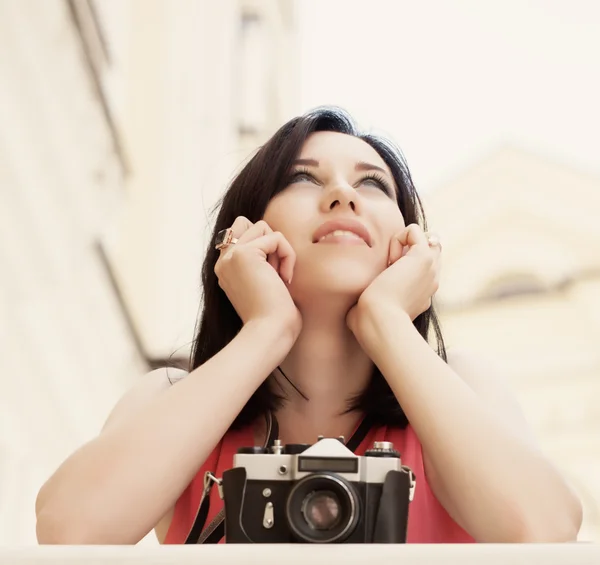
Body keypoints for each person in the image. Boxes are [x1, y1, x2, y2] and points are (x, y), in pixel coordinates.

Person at [35, 107, 582, 545]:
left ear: (407, 243)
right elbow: (69, 533)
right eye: (302, 177)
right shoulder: (170, 399)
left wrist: (388, 321)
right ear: (246, 232)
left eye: (373, 185)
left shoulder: (463, 387)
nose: (343, 195)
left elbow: (543, 531)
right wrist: (266, 329)